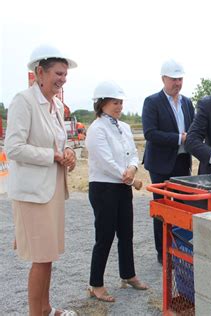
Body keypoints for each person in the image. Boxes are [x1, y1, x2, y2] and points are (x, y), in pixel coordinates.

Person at [5, 44, 77, 316]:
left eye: (65, 75)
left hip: (52, 190)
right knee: (42, 258)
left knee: (49, 256)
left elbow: (62, 142)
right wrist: (53, 156)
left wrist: (67, 152)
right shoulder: (23, 101)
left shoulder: (56, 104)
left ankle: (46, 309)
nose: (62, 79)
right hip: (33, 193)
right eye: (58, 73)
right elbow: (13, 148)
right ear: (40, 73)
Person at [86, 81, 149, 303]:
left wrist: (132, 168)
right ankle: (96, 284)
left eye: (120, 102)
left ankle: (127, 274)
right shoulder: (96, 129)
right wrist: (127, 175)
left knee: (126, 233)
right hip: (103, 187)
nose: (119, 106)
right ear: (102, 103)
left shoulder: (124, 127)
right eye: (115, 102)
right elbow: (105, 161)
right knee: (104, 236)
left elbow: (132, 152)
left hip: (123, 185)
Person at [142, 59, 195, 264]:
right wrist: (178, 138)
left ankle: (181, 248)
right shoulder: (152, 102)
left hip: (182, 162)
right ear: (163, 78)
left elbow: (194, 129)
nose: (177, 83)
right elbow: (150, 133)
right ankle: (162, 253)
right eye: (173, 79)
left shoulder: (188, 103)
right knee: (162, 209)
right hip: (160, 164)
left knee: (183, 208)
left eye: (180, 79)